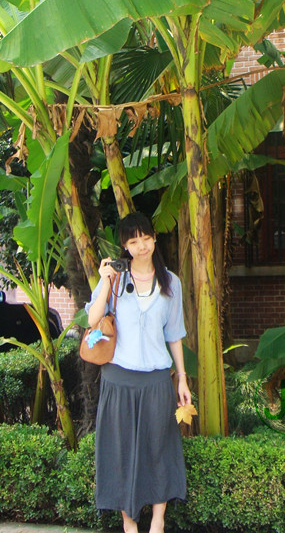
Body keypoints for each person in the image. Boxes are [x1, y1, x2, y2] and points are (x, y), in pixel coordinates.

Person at [86, 211, 191, 533]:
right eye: (133, 241)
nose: (141, 245)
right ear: (124, 246)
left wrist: (182, 378)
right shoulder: (116, 279)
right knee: (119, 452)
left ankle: (157, 522)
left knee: (159, 449)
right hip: (118, 380)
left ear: (154, 238)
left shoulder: (170, 282)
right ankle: (129, 524)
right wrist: (104, 280)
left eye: (145, 238)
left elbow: (174, 334)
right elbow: (93, 321)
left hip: (157, 380)